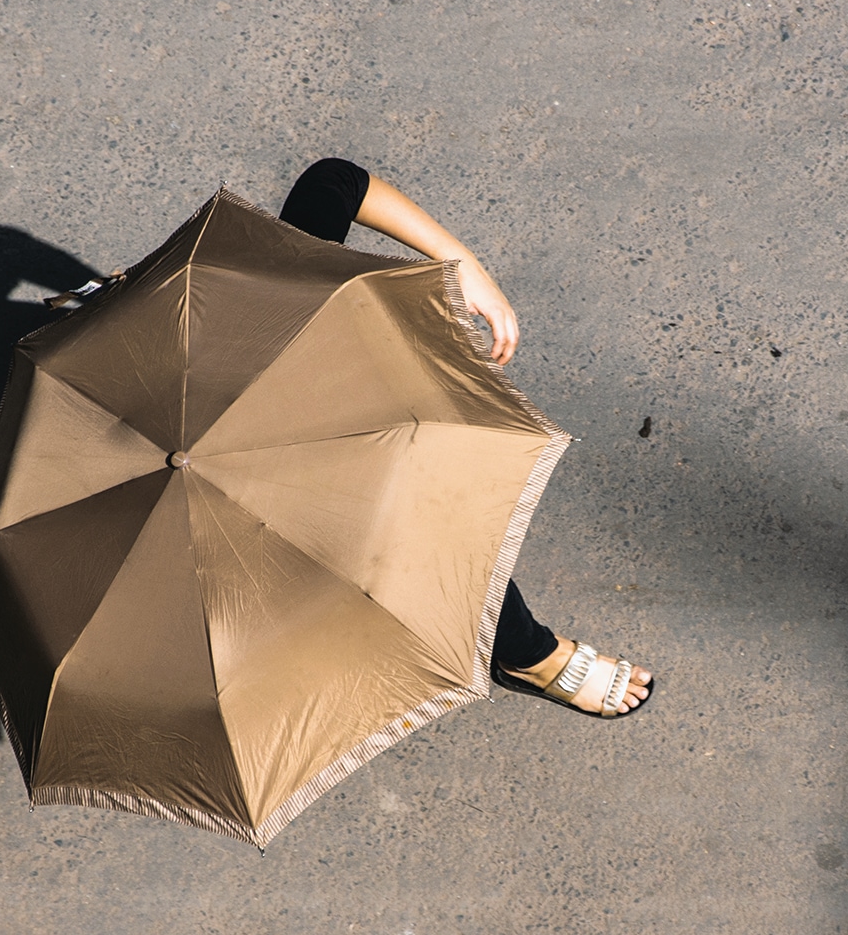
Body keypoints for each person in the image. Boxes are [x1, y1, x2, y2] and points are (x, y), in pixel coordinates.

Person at [279, 157, 653, 718]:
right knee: (406, 515)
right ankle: (527, 655)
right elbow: (333, 182)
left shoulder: (270, 299)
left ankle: (526, 652)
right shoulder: (258, 305)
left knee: (404, 500)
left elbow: (336, 184)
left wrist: (464, 266)